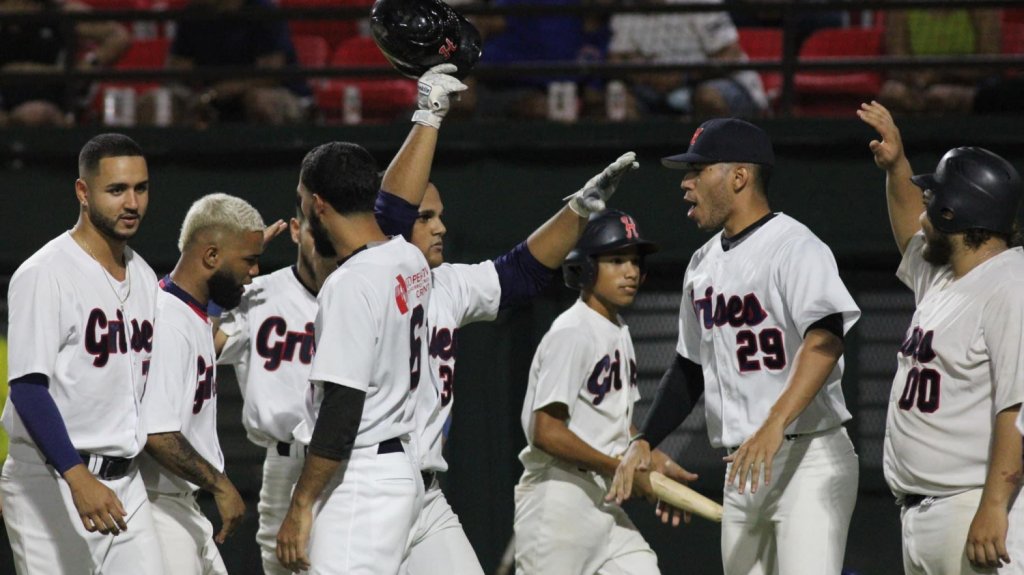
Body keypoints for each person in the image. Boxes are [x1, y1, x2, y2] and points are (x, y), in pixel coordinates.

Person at [374, 63, 648, 574]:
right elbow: (388, 213)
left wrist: (579, 210)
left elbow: (521, 272)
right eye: (425, 218)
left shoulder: (448, 284)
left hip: (423, 488)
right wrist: (428, 118)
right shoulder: (364, 278)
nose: (440, 227)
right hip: (362, 481)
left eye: (441, 215)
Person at [609, 117, 861, 575]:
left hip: (807, 455)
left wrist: (774, 422)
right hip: (743, 464)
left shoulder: (795, 246)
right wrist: (646, 439)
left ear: (739, 176)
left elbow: (826, 339)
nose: (685, 183)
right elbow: (689, 368)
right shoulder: (702, 264)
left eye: (698, 170)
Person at [859, 100, 1024, 573]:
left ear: (954, 213)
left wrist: (994, 506)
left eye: (933, 203)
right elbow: (911, 235)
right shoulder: (948, 275)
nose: (924, 212)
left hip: (973, 508)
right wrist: (897, 166)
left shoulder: (1011, 286)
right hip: (925, 514)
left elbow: (1017, 409)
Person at [0, 133, 163, 574]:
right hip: (53, 480)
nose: (132, 202)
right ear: (83, 192)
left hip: (126, 482)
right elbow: (28, 390)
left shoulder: (144, 275)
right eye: (116, 190)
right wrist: (77, 476)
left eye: (140, 188)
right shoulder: (44, 273)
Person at [274, 140, 433, 574]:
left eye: (303, 200)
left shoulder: (351, 284)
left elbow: (342, 410)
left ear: (319, 204)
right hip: (398, 464)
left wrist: (300, 505)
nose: (303, 209)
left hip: (362, 477)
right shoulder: (408, 257)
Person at [513, 210, 697, 575]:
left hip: (602, 501)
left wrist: (649, 457)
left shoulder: (617, 330)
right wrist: (622, 470)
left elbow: (615, 421)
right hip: (559, 501)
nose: (630, 271)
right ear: (585, 268)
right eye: (616, 260)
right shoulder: (572, 330)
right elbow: (545, 431)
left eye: (635, 261)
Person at [139, 193, 265, 574]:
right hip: (154, 503)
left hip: (177, 502)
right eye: (249, 260)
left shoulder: (190, 312)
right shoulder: (167, 319)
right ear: (211, 256)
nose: (255, 271)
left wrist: (242, 250)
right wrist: (222, 485)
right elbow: (157, 432)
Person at [213, 210, 337, 575]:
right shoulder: (258, 295)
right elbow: (201, 341)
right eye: (320, 234)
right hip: (283, 464)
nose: (329, 247)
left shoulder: (359, 292)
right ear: (296, 230)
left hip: (345, 464)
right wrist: (226, 277)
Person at [607, 0, 767, 120]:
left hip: (720, 82)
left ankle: (713, 159)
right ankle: (641, 161)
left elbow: (730, 54)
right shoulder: (628, 9)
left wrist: (684, 76)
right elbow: (617, 58)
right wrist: (652, 76)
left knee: (707, 97)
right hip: (657, 87)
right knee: (621, 100)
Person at [164, 0, 307, 125]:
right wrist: (201, 95)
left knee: (260, 101)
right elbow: (178, 67)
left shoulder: (263, 10)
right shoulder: (194, 12)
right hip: (209, 96)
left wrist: (220, 91)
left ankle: (274, 155)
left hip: (273, 92)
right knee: (158, 101)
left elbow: (269, 76)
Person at [0, 0, 132, 127]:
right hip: (4, 97)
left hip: (51, 97)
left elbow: (118, 35)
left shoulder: (62, 11)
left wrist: (90, 62)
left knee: (36, 114)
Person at [878, 6, 1002, 115]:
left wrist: (941, 74)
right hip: (916, 85)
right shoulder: (900, 9)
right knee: (892, 92)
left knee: (943, 96)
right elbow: (898, 61)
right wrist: (919, 79)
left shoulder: (983, 9)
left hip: (966, 85)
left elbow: (988, 62)